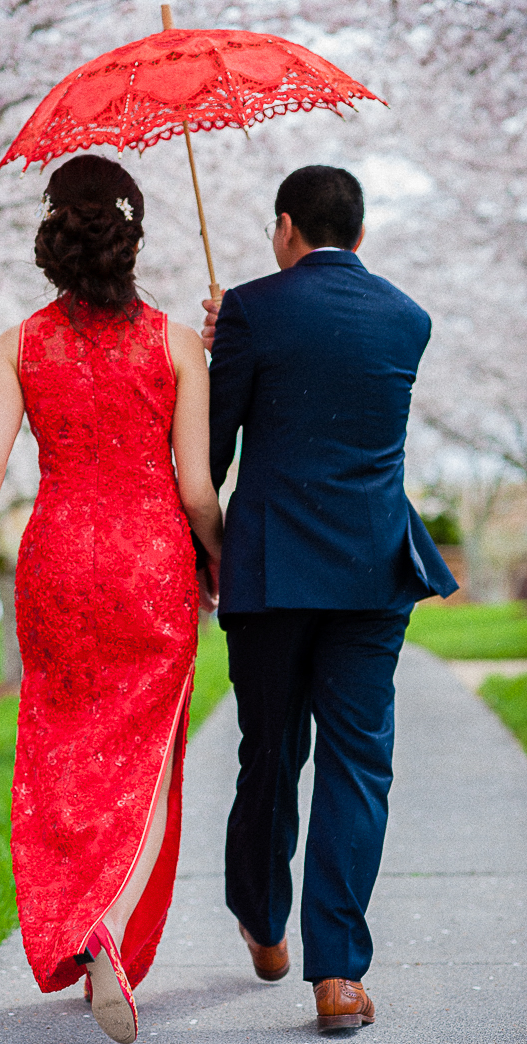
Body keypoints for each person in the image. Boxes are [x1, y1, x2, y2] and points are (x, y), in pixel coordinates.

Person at [0, 154, 223, 1044]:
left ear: (52, 237)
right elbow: (200, 489)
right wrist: (224, 568)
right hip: (149, 562)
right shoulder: (176, 343)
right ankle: (106, 926)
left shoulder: (17, 344)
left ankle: (83, 915)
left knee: (64, 752)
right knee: (147, 758)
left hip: (55, 558)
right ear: (131, 239)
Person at [200, 165, 457, 1032]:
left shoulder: (251, 307)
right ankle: (338, 976)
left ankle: (264, 920)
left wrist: (223, 349)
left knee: (271, 750)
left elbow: (212, 449)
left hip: (271, 572)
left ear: (285, 226)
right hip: (372, 568)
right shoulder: (408, 318)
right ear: (360, 232)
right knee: (359, 763)